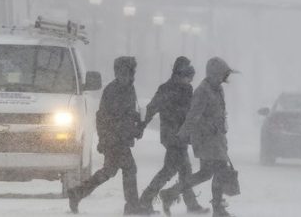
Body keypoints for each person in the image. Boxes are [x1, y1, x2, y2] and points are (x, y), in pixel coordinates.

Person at [67, 57, 151, 215]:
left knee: (109, 171)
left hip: (120, 138)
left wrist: (137, 120)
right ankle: (132, 206)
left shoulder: (128, 89)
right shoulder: (113, 90)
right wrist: (106, 138)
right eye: (122, 73)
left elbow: (126, 114)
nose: (125, 76)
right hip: (114, 139)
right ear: (117, 73)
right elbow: (107, 117)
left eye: (128, 73)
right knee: (129, 169)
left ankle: (78, 193)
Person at [159, 57, 238, 217]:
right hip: (205, 139)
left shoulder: (217, 89)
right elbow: (193, 116)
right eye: (222, 75)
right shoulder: (203, 91)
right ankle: (218, 209)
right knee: (220, 170)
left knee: (206, 173)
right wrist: (182, 135)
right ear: (214, 73)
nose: (224, 78)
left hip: (216, 139)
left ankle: (170, 193)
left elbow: (219, 113)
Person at [139, 57, 209, 215]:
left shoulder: (186, 89)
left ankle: (190, 203)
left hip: (181, 136)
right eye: (188, 77)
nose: (189, 80)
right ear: (179, 74)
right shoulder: (167, 88)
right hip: (172, 136)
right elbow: (152, 108)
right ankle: (146, 199)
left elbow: (191, 112)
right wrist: (142, 125)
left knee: (184, 170)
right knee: (169, 170)